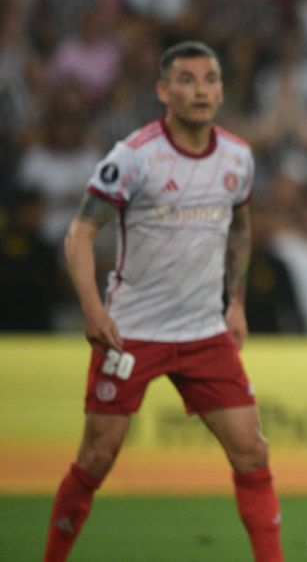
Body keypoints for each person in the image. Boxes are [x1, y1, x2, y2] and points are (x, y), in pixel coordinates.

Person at [44, 41, 283, 561]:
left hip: (202, 332)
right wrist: (93, 310)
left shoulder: (238, 157)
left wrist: (235, 304)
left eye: (211, 80)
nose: (201, 90)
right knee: (97, 457)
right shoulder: (134, 157)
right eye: (189, 80)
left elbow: (240, 228)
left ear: (222, 89)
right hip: (132, 332)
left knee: (251, 451)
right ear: (163, 90)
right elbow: (79, 234)